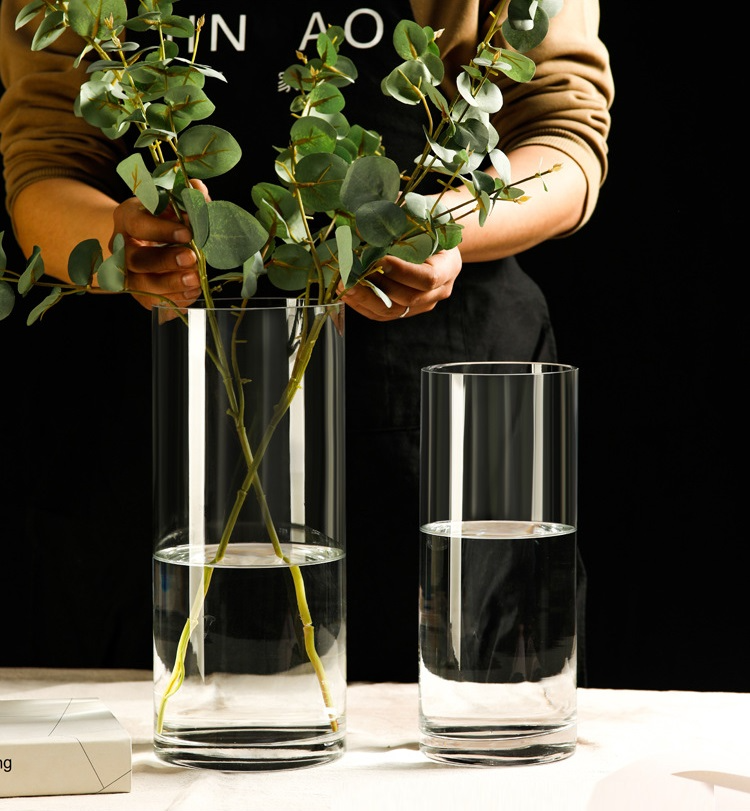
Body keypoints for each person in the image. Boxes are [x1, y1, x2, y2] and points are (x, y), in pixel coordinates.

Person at [0, 1, 613, 682]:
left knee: (462, 724)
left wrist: (440, 224)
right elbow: (45, 160)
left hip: (435, 428)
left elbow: (564, 135)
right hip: (160, 435)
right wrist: (123, 244)